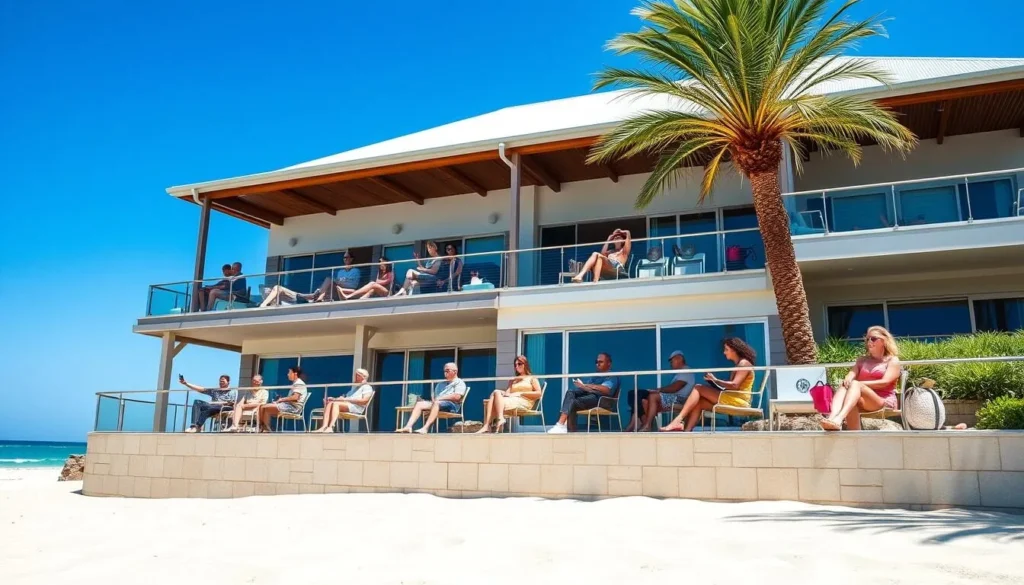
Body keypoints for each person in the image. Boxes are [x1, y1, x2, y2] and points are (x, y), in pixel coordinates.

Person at [661, 338, 756, 432]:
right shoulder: (739, 364)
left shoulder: (744, 364)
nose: (724, 352)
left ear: (734, 349)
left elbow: (735, 385)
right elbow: (730, 387)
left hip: (739, 401)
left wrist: (715, 380)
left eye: (726, 349)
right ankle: (687, 430)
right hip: (731, 397)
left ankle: (677, 421)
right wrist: (713, 382)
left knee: (698, 388)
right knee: (700, 402)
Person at [820, 326, 901, 431]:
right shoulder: (862, 360)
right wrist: (848, 379)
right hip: (862, 399)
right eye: (867, 339)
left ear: (884, 341)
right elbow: (851, 373)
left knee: (855, 384)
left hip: (882, 401)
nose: (869, 341)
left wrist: (858, 384)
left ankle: (839, 418)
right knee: (846, 386)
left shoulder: (892, 360)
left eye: (873, 338)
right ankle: (832, 418)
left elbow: (884, 382)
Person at [547, 352, 620, 434]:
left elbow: (606, 389)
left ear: (609, 363)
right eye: (596, 362)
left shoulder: (612, 376)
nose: (597, 364)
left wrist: (589, 386)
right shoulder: (596, 376)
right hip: (591, 396)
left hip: (601, 400)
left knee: (572, 402)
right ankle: (562, 426)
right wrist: (582, 386)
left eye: (600, 362)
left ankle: (564, 427)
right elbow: (588, 387)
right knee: (571, 392)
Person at [624, 350, 694, 432]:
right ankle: (643, 424)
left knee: (652, 396)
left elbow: (675, 388)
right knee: (642, 400)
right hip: (674, 398)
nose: (671, 364)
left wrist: (658, 390)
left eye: (672, 361)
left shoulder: (686, 370)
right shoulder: (680, 372)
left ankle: (646, 425)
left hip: (680, 399)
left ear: (679, 359)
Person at [476, 355, 543, 433]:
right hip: (512, 399)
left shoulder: (531, 378)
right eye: (515, 365)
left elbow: (539, 393)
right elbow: (507, 394)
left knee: (493, 401)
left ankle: (488, 425)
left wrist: (520, 393)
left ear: (525, 364)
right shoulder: (514, 380)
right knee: (496, 392)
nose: (517, 366)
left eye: (519, 364)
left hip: (524, 402)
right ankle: (496, 420)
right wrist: (509, 385)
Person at [396, 362, 465, 434]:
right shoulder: (441, 384)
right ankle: (408, 427)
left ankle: (425, 428)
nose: (445, 373)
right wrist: (434, 399)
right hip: (438, 403)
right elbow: (435, 397)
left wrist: (440, 398)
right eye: (444, 371)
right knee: (420, 404)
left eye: (447, 370)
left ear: (455, 371)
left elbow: (457, 396)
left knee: (437, 403)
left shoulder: (459, 382)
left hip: (452, 405)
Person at [313, 369, 374, 433]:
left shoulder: (367, 387)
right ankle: (324, 426)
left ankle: (331, 427)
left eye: (357, 375)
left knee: (336, 404)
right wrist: (334, 399)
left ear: (363, 377)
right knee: (330, 403)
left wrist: (345, 399)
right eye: (355, 375)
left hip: (357, 407)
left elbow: (364, 401)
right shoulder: (355, 388)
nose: (355, 377)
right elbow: (345, 397)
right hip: (348, 405)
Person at [257, 366, 308, 432]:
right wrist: (280, 400)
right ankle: (265, 428)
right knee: (265, 409)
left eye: (289, 372)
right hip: (289, 406)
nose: (288, 374)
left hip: (294, 408)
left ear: (295, 374)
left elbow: (295, 397)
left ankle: (263, 426)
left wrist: (281, 400)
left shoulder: (299, 383)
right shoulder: (296, 383)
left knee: (264, 407)